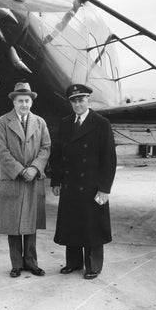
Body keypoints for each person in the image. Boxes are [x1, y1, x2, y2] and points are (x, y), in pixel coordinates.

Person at [51, 84, 117, 279]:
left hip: (92, 185)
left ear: (88, 100)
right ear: (70, 103)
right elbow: (58, 154)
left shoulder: (101, 123)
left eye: (81, 100)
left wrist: (105, 188)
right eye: (74, 101)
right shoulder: (65, 123)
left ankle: (93, 266)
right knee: (72, 223)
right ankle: (73, 262)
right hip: (70, 183)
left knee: (92, 226)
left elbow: (109, 159)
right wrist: (56, 180)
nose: (78, 104)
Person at [0, 82, 51, 278]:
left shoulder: (40, 122)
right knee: (13, 223)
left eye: (27, 101)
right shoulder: (3, 121)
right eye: (20, 101)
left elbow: (46, 148)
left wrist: (35, 168)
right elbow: (1, 151)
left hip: (33, 178)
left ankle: (32, 263)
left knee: (31, 223)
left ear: (31, 102)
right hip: (13, 178)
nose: (24, 104)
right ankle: (16, 264)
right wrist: (20, 170)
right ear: (14, 102)